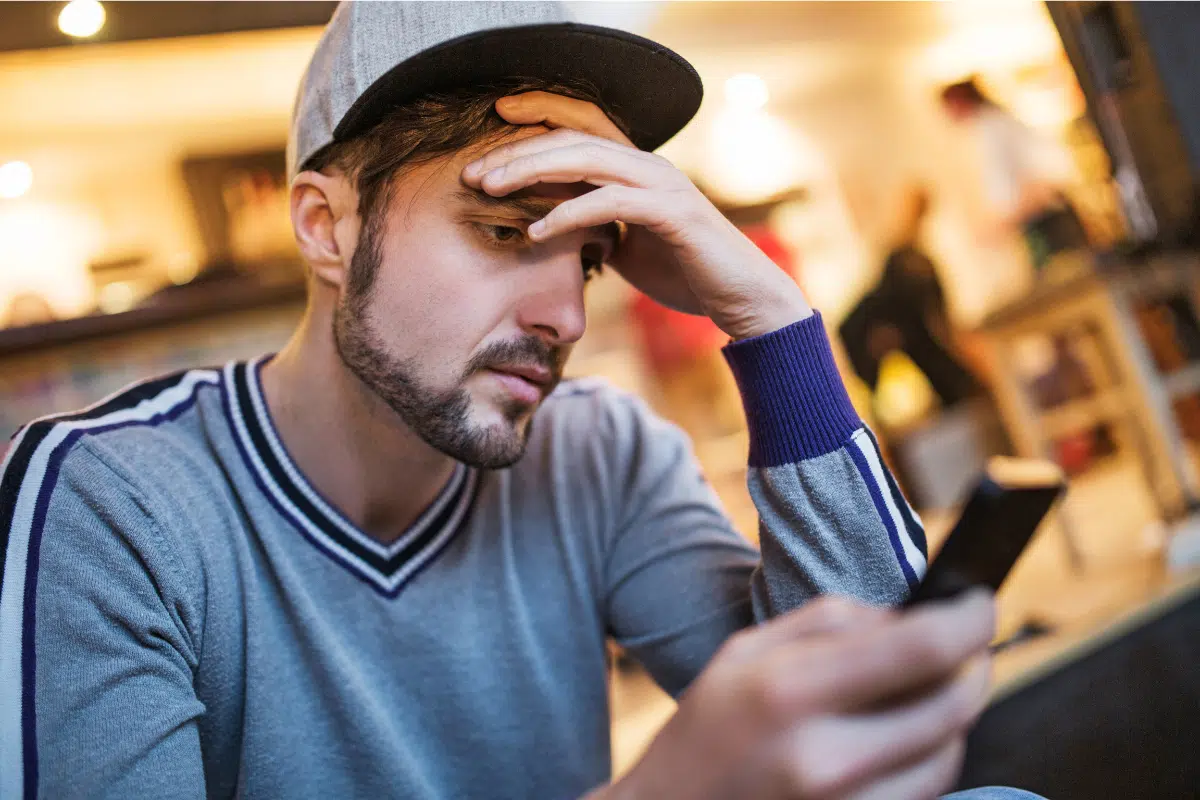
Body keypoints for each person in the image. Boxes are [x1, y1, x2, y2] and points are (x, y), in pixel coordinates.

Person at [0, 4, 1040, 799]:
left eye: (588, 258)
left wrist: (773, 325)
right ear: (324, 227)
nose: (567, 316)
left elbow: (884, 729)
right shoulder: (111, 500)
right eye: (505, 230)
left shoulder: (598, 451)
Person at [839, 186, 980, 412]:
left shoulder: (914, 261)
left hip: (904, 332)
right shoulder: (903, 260)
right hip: (883, 333)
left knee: (937, 361)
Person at [940, 76, 1089, 271]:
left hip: (1047, 220)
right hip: (1043, 216)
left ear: (959, 101)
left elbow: (1016, 189)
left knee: (1070, 274)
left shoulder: (992, 128)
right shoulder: (994, 123)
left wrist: (995, 228)